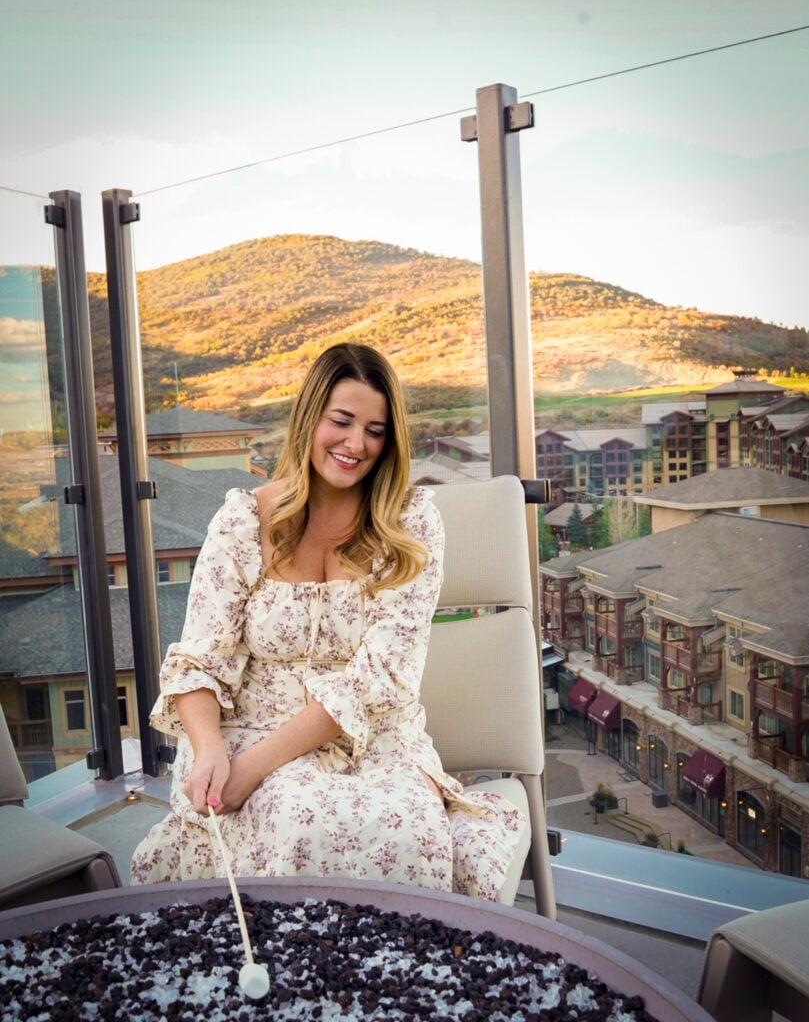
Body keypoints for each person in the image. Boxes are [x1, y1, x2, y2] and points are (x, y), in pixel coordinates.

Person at [131, 342, 523, 899]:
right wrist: (212, 749)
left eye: (375, 431)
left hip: (373, 744)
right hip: (247, 732)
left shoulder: (411, 525)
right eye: (341, 422)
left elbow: (381, 677)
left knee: (405, 832)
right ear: (310, 417)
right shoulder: (243, 520)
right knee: (296, 820)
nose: (356, 444)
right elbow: (200, 659)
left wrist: (254, 768)